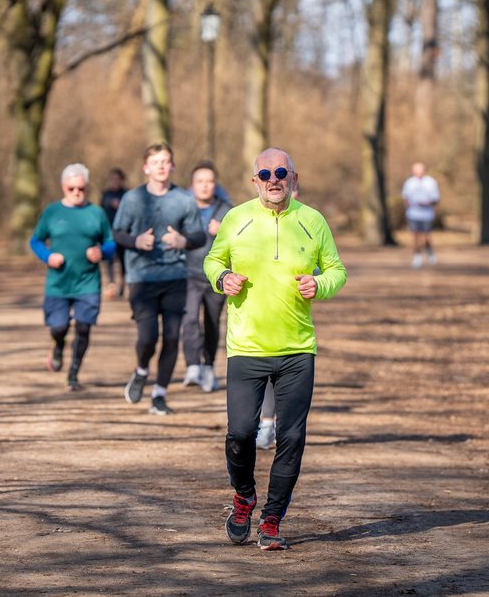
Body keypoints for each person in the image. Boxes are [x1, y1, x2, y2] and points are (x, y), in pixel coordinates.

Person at [205, 147, 347, 551]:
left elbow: (337, 270)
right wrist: (223, 278)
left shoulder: (312, 221)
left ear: (294, 179)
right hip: (246, 347)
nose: (274, 178)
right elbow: (212, 261)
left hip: (297, 349)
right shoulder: (237, 218)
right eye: (265, 172)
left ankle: (271, 519)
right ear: (255, 181)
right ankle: (244, 496)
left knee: (291, 437)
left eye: (281, 172)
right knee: (240, 434)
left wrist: (320, 284)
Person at [113, 143, 206, 415]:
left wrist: (183, 240)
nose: (162, 166)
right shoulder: (132, 199)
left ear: (173, 166)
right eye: (156, 162)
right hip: (141, 277)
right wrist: (136, 240)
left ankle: (159, 394)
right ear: (146, 168)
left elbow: (199, 236)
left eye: (166, 161)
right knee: (148, 337)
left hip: (175, 277)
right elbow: (117, 232)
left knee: (172, 337)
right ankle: (141, 369)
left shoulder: (184, 199)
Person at [29, 163, 115, 391]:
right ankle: (57, 344)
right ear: (63, 187)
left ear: (87, 187)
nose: (77, 193)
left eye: (81, 188)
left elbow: (110, 242)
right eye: (71, 189)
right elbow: (35, 240)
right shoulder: (52, 212)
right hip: (59, 282)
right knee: (59, 326)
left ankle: (73, 375)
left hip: (88, 282)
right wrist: (48, 256)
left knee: (84, 327)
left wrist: (102, 252)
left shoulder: (96, 213)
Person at [182, 161, 232, 393]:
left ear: (215, 184)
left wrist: (224, 230)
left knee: (212, 323)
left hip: (216, 276)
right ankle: (193, 366)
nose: (204, 186)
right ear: (192, 185)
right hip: (188, 273)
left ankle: (209, 367)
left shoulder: (228, 210)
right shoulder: (182, 208)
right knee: (190, 319)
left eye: (209, 181)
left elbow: (243, 240)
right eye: (200, 182)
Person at [401, 162, 440, 268]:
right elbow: (405, 197)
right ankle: (416, 257)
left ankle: (430, 252)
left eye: (421, 170)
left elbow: (436, 199)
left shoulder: (431, 182)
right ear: (413, 171)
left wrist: (427, 203)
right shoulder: (409, 183)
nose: (419, 172)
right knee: (415, 236)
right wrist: (408, 205)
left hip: (427, 213)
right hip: (413, 214)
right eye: (417, 170)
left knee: (427, 236)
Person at [100, 168, 128, 298]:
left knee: (123, 261)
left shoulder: (127, 195)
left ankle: (122, 285)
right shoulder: (106, 194)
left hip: (123, 233)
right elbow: (101, 213)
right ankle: (111, 285)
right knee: (109, 259)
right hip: (109, 233)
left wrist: (121, 206)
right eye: (113, 179)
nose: (115, 181)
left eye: (117, 179)